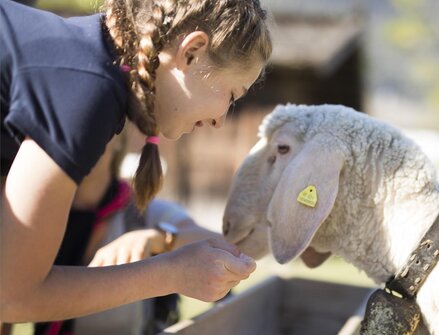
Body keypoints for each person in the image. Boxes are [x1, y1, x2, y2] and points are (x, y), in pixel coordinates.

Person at [0, 0, 272, 324]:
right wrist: (172, 273)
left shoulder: (85, 62)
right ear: (191, 52)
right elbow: (13, 296)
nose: (220, 121)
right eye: (231, 96)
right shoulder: (86, 88)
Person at [30, 132, 223, 335]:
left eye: (97, 124)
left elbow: (226, 245)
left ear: (119, 138)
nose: (78, 136)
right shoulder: (38, 215)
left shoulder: (141, 213)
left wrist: (158, 238)